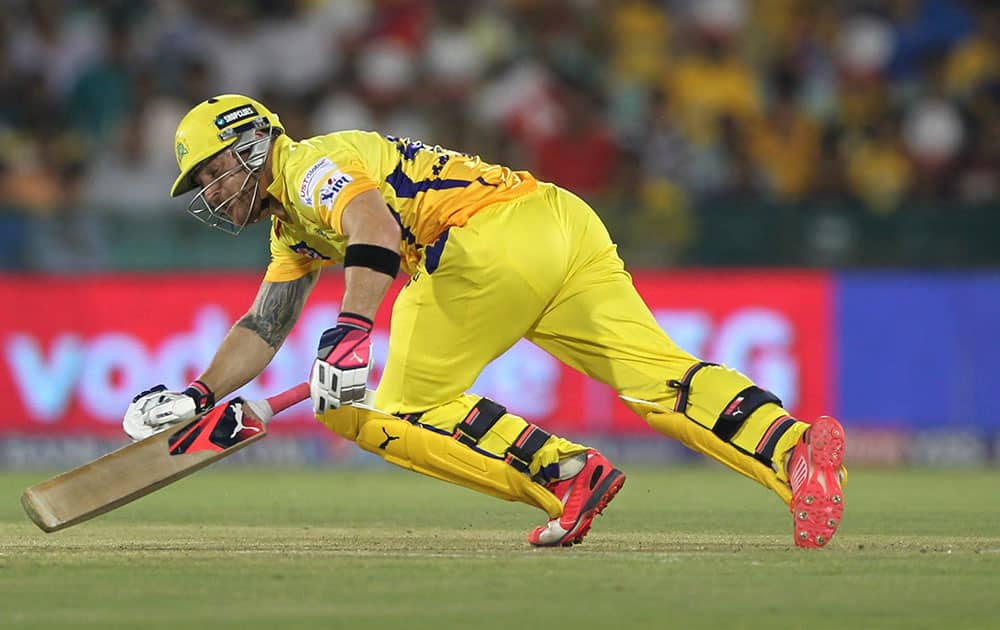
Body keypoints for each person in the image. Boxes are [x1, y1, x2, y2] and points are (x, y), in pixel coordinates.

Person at [123, 94, 847, 548]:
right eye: (203, 186)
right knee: (657, 381)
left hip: (484, 239)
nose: (212, 194)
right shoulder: (291, 228)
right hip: (561, 222)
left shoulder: (309, 166)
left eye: (215, 173)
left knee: (391, 406)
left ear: (252, 144)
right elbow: (264, 325)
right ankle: (794, 450)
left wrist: (351, 331)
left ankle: (565, 473)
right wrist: (198, 394)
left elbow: (371, 220)